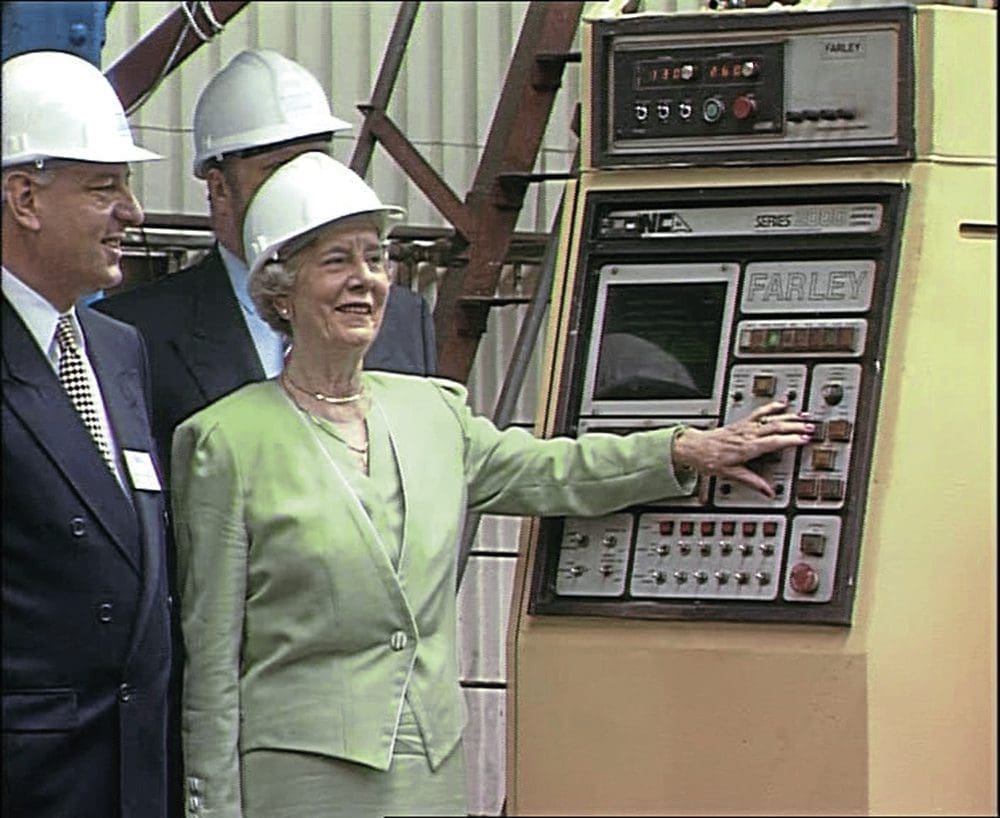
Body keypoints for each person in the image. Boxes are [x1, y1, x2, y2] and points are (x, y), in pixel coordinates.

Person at [170, 151, 814, 818]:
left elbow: (552, 471)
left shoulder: (434, 413)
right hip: (298, 778)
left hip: (432, 764)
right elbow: (212, 665)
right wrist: (212, 808)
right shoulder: (226, 441)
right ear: (281, 288)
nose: (365, 281)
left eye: (375, 258)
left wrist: (685, 450)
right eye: (337, 261)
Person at [96, 49, 438, 484]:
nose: (302, 185)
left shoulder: (401, 320)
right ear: (219, 189)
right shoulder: (133, 337)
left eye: (315, 162)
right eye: (277, 170)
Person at [1, 51, 172, 818]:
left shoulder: (117, 351)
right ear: (25, 197)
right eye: (104, 186)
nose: (131, 211)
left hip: (128, 775)